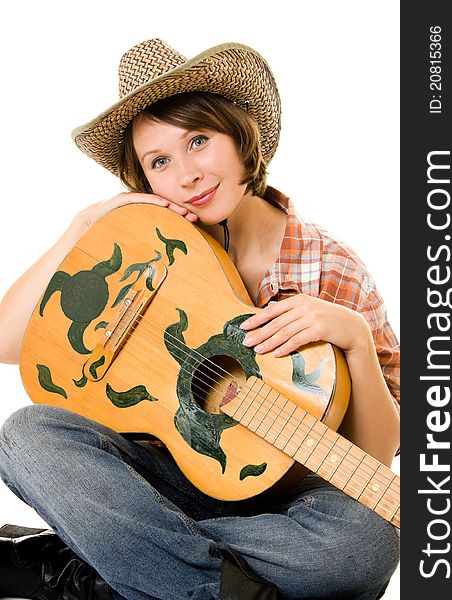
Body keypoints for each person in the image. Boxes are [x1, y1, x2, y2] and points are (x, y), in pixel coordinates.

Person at [0, 38, 400, 599]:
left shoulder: (328, 266)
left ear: (240, 138)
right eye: (159, 162)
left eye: (198, 140)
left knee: (364, 545)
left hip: (286, 502)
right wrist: (82, 224)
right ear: (144, 181)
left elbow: (371, 466)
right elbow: (7, 341)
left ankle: (88, 568)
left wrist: (355, 342)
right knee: (24, 435)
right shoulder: (148, 251)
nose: (186, 174)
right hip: (166, 486)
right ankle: (219, 587)